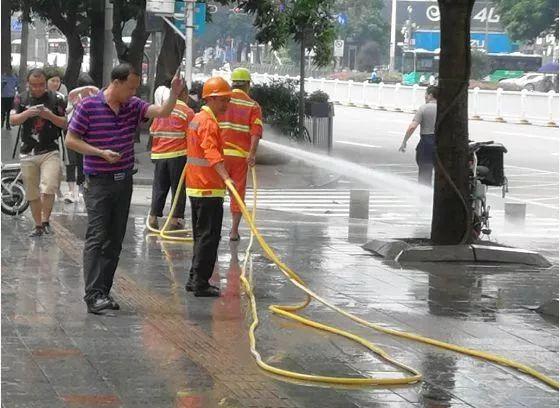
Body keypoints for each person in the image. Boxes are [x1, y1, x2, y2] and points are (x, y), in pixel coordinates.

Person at [65, 63, 185, 314]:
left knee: (115, 238)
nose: (133, 93)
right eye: (130, 87)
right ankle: (92, 294)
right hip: (98, 182)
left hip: (124, 181)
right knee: (97, 236)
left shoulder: (133, 106)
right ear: (116, 83)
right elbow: (71, 140)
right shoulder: (88, 106)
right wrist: (99, 152)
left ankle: (103, 291)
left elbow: (162, 111)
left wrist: (174, 93)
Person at [185, 76, 233, 298]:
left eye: (228, 100)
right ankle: (201, 283)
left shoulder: (198, 118)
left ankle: (194, 278)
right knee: (209, 237)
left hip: (197, 186)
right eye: (223, 100)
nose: (226, 104)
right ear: (210, 99)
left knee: (201, 236)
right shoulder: (208, 122)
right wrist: (226, 178)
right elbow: (211, 152)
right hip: (208, 187)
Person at [9, 68, 67, 236]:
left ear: (46, 83)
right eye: (33, 85)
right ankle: (38, 225)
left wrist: (49, 116)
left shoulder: (57, 98)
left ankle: (45, 220)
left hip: (50, 149)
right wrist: (27, 113)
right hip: (28, 151)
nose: (38, 88)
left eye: (41, 84)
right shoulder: (21, 98)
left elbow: (65, 123)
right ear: (28, 84)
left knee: (49, 186)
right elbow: (13, 120)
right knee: (32, 191)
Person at [218, 67, 262, 241]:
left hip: (219, 155)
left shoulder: (222, 101)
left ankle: (213, 228)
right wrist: (252, 154)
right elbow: (256, 132)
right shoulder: (253, 105)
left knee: (216, 192)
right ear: (248, 85)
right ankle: (234, 231)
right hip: (239, 157)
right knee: (237, 194)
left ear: (233, 83)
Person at [148, 84, 194, 230]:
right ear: (185, 94)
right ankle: (175, 218)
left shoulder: (163, 109)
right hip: (178, 155)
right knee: (178, 188)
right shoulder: (187, 112)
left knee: (159, 187)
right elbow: (192, 135)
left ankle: (153, 216)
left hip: (160, 155)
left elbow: (152, 131)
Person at [63, 73, 99, 203]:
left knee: (82, 162)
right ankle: (71, 191)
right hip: (71, 133)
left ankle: (81, 189)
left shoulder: (94, 98)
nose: (87, 90)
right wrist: (75, 104)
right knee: (71, 162)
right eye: (85, 87)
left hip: (86, 135)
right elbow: (66, 111)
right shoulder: (73, 97)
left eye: (89, 87)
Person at [399, 85, 438, 186]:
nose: (425, 96)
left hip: (427, 144)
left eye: (426, 94)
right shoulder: (444, 109)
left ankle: (424, 194)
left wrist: (404, 141)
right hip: (442, 144)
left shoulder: (424, 108)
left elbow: (412, 127)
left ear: (430, 95)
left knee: (425, 175)